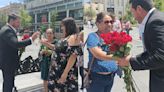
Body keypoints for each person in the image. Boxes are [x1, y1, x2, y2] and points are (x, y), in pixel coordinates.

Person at [118, 0, 164, 92]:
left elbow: (160, 56)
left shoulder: (155, 21)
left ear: (139, 9)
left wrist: (131, 62)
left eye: (132, 12)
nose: (133, 17)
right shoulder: (157, 17)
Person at [0, 14, 40, 92]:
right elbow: (16, 44)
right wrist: (31, 39)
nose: (19, 24)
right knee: (8, 83)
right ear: (11, 21)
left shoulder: (8, 29)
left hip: (8, 62)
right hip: (7, 63)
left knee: (10, 82)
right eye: (18, 22)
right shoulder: (7, 30)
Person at [46, 17, 83, 92]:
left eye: (63, 26)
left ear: (68, 26)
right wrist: (45, 43)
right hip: (56, 71)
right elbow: (58, 49)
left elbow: (73, 56)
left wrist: (65, 74)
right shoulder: (66, 37)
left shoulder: (74, 37)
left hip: (63, 72)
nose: (61, 28)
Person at [86, 12, 119, 92]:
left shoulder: (113, 36)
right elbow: (98, 54)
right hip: (97, 78)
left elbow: (120, 50)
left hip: (111, 76)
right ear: (98, 23)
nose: (109, 24)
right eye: (106, 22)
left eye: (111, 22)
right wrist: (119, 57)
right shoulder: (93, 36)